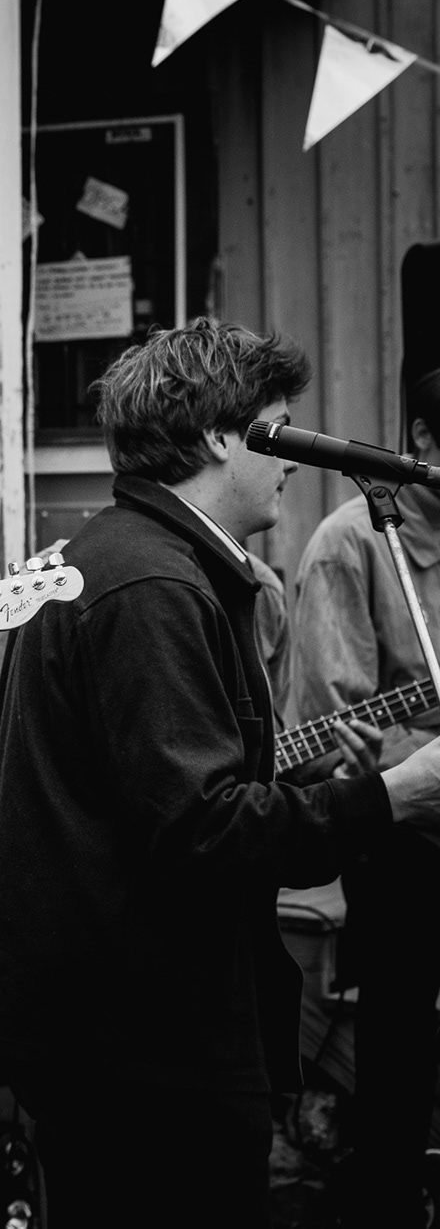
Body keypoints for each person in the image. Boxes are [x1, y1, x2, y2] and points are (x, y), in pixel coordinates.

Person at [0, 318, 440, 1227]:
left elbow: (170, 798)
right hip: (142, 1036)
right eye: (279, 427)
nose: (291, 461)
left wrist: (319, 787)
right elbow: (202, 830)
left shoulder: (128, 558)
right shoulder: (154, 586)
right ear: (221, 435)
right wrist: (391, 796)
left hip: (116, 1020)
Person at [287, 364, 440, 1226]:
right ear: (420, 440)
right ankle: (390, 1196)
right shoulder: (349, 544)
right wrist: (415, 757)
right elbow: (334, 732)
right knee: (402, 1027)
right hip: (402, 831)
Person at [0, 538, 288, 773]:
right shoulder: (68, 572)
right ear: (216, 443)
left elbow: (272, 733)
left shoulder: (264, 591)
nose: (291, 463)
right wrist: (82, 766)